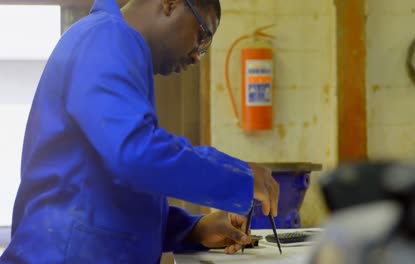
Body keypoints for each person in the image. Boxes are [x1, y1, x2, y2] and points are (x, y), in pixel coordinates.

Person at [0, 0, 280, 263]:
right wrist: (238, 176)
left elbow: (114, 198)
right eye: (201, 36)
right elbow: (136, 154)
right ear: (171, 3)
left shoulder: (114, 48)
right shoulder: (106, 37)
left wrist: (194, 229)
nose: (197, 56)